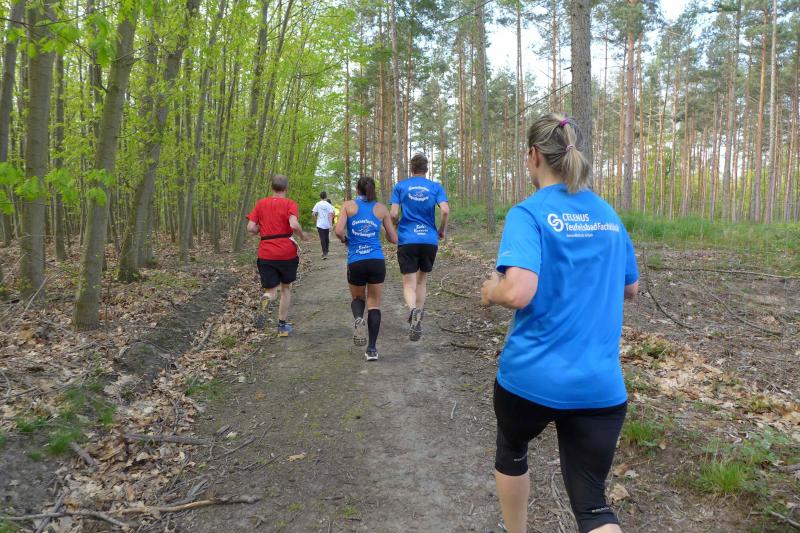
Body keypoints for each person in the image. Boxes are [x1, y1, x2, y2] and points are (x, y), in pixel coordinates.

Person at [480, 113, 639, 533]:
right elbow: (632, 287)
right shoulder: (608, 215)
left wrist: (491, 290)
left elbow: (518, 291)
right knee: (593, 505)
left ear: (534, 155)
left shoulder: (528, 213)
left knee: (511, 449)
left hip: (531, 379)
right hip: (600, 385)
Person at [335, 177, 397, 361]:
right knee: (374, 304)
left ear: (357, 189)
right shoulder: (381, 209)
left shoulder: (348, 206)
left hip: (356, 261)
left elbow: (338, 230)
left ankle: (358, 319)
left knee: (358, 298)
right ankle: (372, 349)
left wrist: (345, 240)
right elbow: (393, 239)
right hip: (376, 261)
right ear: (373, 190)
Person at [390, 153, 449, 341]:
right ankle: (419, 316)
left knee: (409, 284)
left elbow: (393, 214)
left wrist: (396, 224)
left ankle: (413, 310)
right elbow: (445, 210)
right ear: (426, 169)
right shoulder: (435, 187)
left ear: (411, 168)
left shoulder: (400, 186)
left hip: (407, 239)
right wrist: (441, 230)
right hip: (429, 239)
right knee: (422, 282)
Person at [247, 174, 310, 337]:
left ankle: (267, 297)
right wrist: (302, 235)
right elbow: (293, 224)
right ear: (286, 188)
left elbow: (250, 227)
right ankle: (282, 326)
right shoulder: (290, 203)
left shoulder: (261, 203)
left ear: (272, 187)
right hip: (286, 252)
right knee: (286, 288)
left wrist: (261, 229)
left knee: (271, 290)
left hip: (266, 252)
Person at [312, 191, 336, 259]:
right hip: (327, 224)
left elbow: (313, 214)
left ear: (320, 196)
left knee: (322, 238)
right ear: (326, 196)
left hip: (320, 224)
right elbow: (330, 216)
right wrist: (331, 225)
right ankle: (326, 251)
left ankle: (324, 253)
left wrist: (316, 220)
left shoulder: (317, 204)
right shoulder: (329, 205)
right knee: (326, 238)